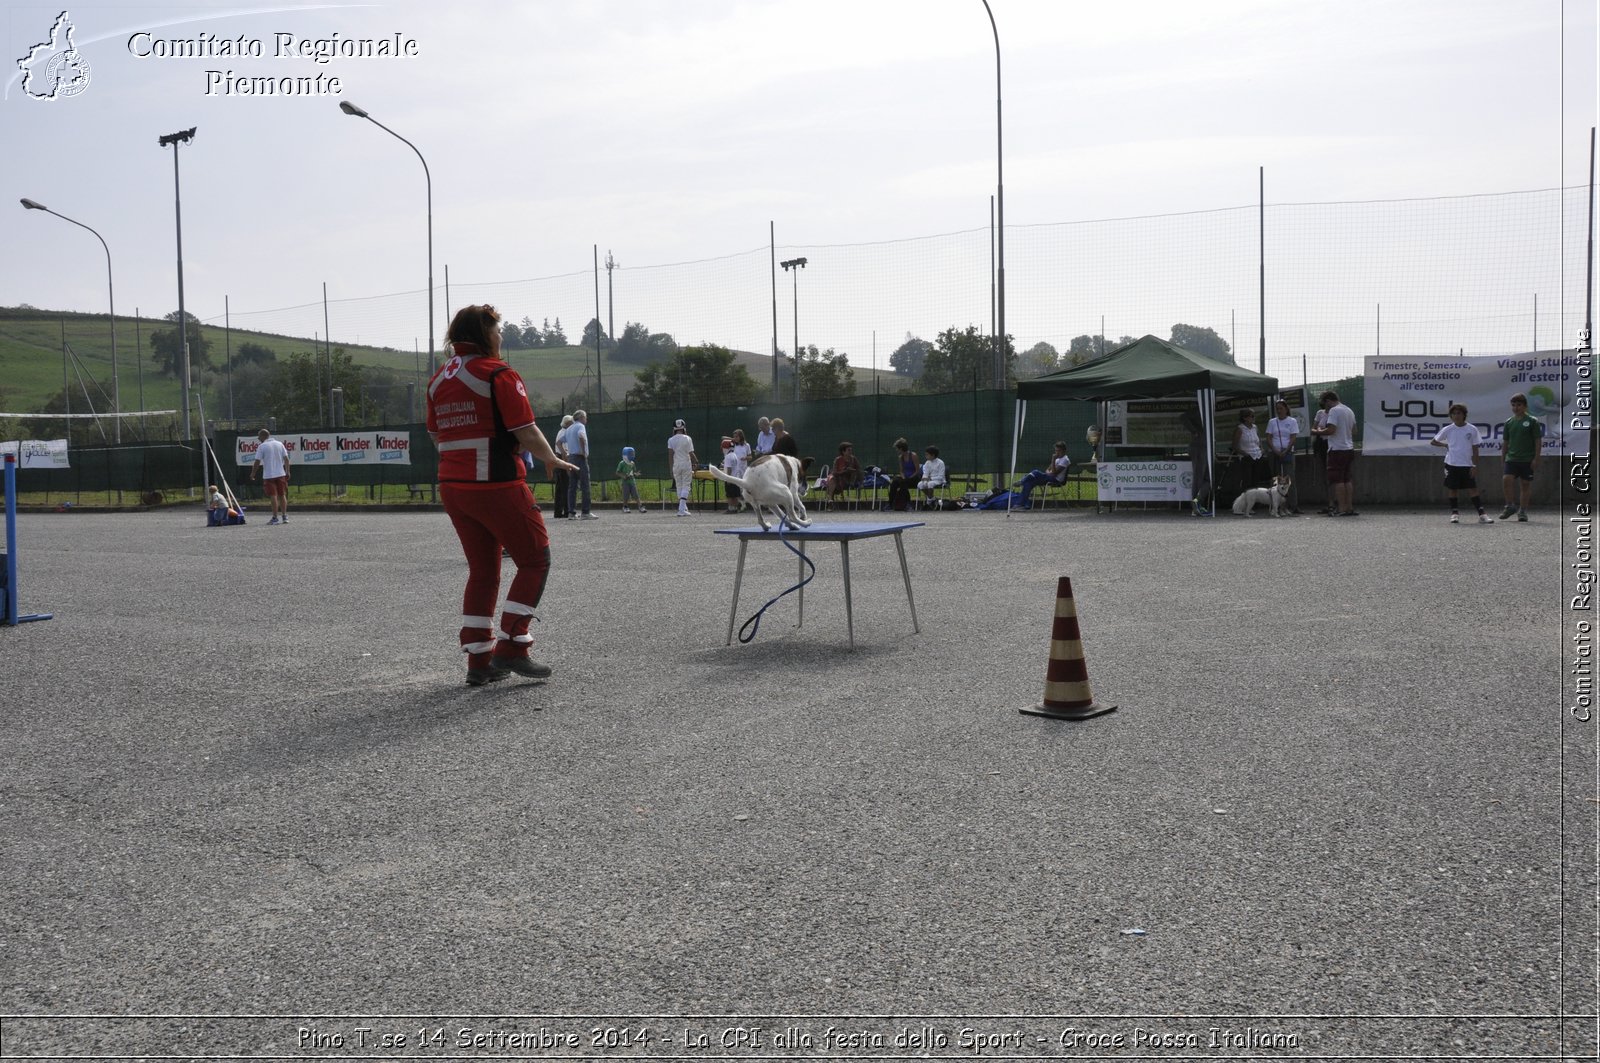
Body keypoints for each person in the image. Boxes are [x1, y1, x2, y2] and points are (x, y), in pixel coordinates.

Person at [426, 303, 576, 687]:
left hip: (454, 487)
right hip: (496, 483)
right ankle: (513, 645)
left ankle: (479, 661)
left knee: (483, 570)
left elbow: (435, 436)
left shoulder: (438, 381)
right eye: (497, 331)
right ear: (483, 334)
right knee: (534, 560)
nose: (501, 337)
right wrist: (553, 460)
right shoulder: (498, 374)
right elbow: (525, 429)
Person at [1431, 402, 1494, 524]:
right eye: (1453, 414)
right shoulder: (1448, 429)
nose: (1456, 416)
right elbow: (1433, 441)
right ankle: (1454, 514)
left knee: (1472, 489)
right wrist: (1445, 445)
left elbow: (1475, 449)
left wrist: (1474, 465)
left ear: (1464, 415)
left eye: (1459, 413)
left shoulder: (1472, 429)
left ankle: (1482, 514)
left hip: (1467, 464)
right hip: (1451, 464)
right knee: (1452, 488)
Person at [1311, 390, 1358, 516]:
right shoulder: (1349, 410)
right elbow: (1354, 431)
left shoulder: (1334, 410)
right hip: (1349, 448)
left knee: (1338, 480)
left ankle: (1341, 508)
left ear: (1328, 401)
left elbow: (1331, 430)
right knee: (1347, 479)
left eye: (1324, 403)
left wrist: (1317, 431)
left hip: (1337, 449)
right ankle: (1349, 507)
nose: (1324, 407)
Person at [1499, 392, 1544, 522]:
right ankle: (1509, 505)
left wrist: (1536, 458)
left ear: (1525, 406)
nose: (1516, 408)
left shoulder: (1532, 421)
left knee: (1525, 484)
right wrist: (1503, 457)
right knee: (1506, 479)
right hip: (1512, 458)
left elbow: (1537, 440)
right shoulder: (1509, 422)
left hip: (1527, 459)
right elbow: (1506, 442)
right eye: (1513, 405)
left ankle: (1523, 511)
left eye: (1519, 405)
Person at [1265, 399, 1301, 514]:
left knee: (1290, 479)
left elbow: (1293, 437)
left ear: (1286, 409)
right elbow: (1269, 437)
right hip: (1274, 452)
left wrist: (1286, 450)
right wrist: (1275, 450)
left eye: (1281, 408)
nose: (1279, 411)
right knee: (1275, 479)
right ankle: (1274, 506)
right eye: (1277, 409)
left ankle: (1293, 506)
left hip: (1288, 452)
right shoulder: (1272, 422)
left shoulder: (1292, 421)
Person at [251, 427, 290, 525]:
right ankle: (284, 516)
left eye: (259, 436)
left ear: (263, 436)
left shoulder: (262, 446)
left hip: (269, 475)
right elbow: (286, 459)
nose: (259, 438)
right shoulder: (279, 444)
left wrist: (253, 473)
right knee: (282, 495)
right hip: (281, 473)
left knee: (273, 495)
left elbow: (257, 461)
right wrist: (287, 471)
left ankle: (275, 518)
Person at [1015, 441, 1071, 508]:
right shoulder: (1057, 459)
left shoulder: (1065, 460)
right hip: (1049, 477)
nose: (1057, 453)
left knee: (1035, 472)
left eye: (1059, 451)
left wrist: (1053, 460)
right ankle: (1021, 505)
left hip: (1056, 480)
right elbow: (1047, 470)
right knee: (1028, 483)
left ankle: (1022, 481)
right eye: (1056, 450)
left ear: (1064, 450)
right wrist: (1050, 472)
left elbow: (1055, 473)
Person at [1182, 409, 1213, 516]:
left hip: (1206, 448)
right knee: (1199, 478)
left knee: (1208, 479)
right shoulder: (1200, 410)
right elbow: (1183, 417)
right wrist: (1194, 431)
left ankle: (1198, 501)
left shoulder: (1207, 410)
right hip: (1199, 448)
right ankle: (1197, 505)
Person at [565, 409, 595, 520]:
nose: (586, 419)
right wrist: (583, 452)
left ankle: (571, 513)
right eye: (585, 417)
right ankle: (585, 513)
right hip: (580, 458)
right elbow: (581, 437)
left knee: (572, 486)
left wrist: (565, 453)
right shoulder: (581, 426)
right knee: (585, 485)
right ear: (581, 418)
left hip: (571, 458)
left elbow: (559, 442)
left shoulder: (568, 429)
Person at [667, 419, 699, 517]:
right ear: (683, 428)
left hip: (676, 465)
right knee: (686, 486)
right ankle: (681, 509)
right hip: (686, 464)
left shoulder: (671, 440)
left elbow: (670, 455)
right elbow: (691, 453)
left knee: (679, 486)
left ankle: (684, 508)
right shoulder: (687, 438)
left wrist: (670, 468)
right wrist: (696, 462)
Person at [1232, 408, 1264, 499]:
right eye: (1252, 416)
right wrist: (1245, 454)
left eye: (1254, 416)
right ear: (1245, 418)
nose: (1254, 418)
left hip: (1257, 456)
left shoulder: (1255, 427)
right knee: (1247, 481)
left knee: (1256, 481)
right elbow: (1235, 445)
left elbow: (1259, 440)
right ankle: (1245, 502)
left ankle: (1255, 501)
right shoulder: (1240, 429)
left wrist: (1261, 449)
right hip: (1247, 457)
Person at [550, 414, 574, 519]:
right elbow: (565, 451)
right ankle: (567, 510)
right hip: (563, 460)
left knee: (560, 488)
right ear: (568, 423)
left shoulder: (560, 432)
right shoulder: (565, 433)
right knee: (566, 486)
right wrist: (567, 466)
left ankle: (558, 512)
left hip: (558, 460)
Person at [887, 437, 919, 512]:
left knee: (904, 482)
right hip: (905, 478)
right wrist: (903, 477)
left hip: (914, 477)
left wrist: (909, 478)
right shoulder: (900, 457)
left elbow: (917, 470)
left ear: (901, 448)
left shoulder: (913, 455)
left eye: (897, 449)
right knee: (894, 482)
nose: (896, 450)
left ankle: (908, 504)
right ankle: (890, 504)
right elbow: (901, 471)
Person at [724, 428, 752, 512]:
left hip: (743, 468)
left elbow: (750, 457)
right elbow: (723, 438)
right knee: (736, 488)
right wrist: (732, 439)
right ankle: (739, 505)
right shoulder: (733, 445)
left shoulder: (746, 445)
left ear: (741, 437)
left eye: (737, 436)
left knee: (743, 488)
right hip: (735, 470)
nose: (735, 438)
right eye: (734, 436)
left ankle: (744, 504)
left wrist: (745, 458)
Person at [616, 446, 644, 513]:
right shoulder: (622, 463)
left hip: (632, 481)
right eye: (630, 453)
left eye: (633, 453)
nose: (632, 455)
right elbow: (617, 472)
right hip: (625, 482)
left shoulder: (632, 463)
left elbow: (634, 472)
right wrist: (624, 476)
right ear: (625, 454)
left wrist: (636, 474)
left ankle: (640, 507)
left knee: (636, 494)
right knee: (626, 496)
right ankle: (625, 507)